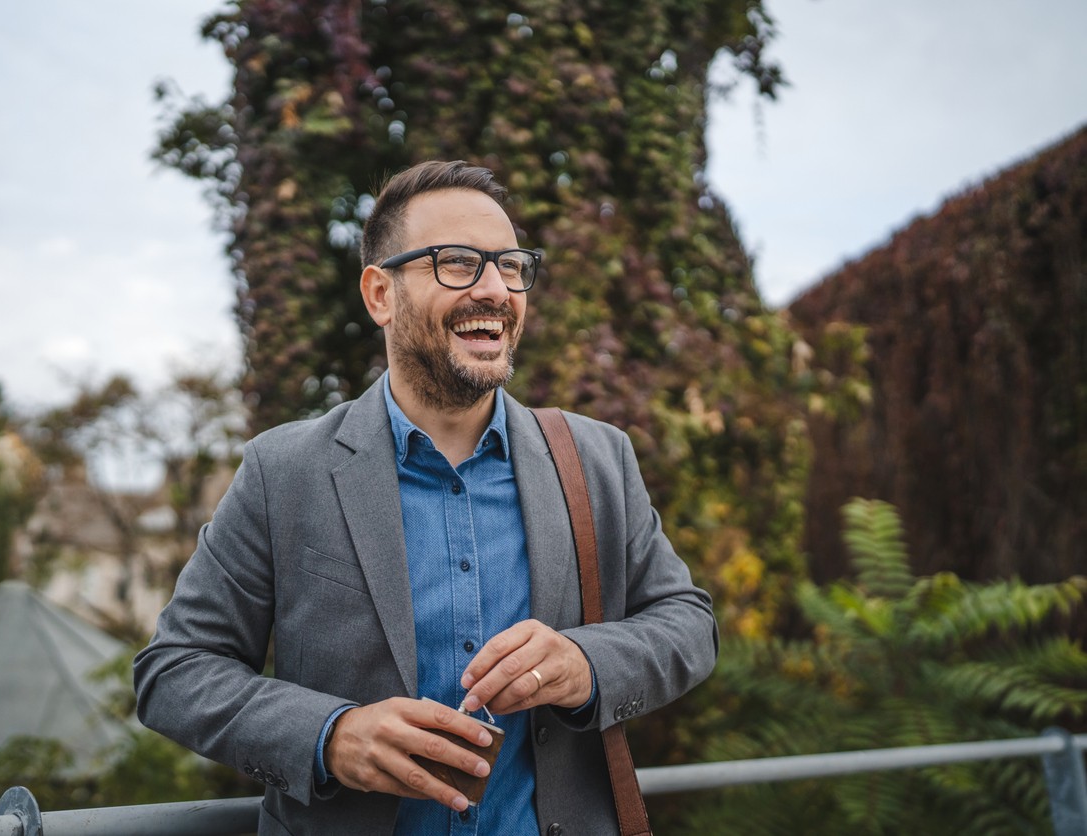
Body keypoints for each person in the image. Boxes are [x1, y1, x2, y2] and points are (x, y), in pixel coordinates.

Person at [133, 160, 718, 835]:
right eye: (458, 263)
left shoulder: (597, 458)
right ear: (380, 294)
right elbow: (174, 671)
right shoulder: (282, 471)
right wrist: (331, 735)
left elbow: (688, 624)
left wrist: (586, 663)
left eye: (510, 265)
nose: (496, 290)